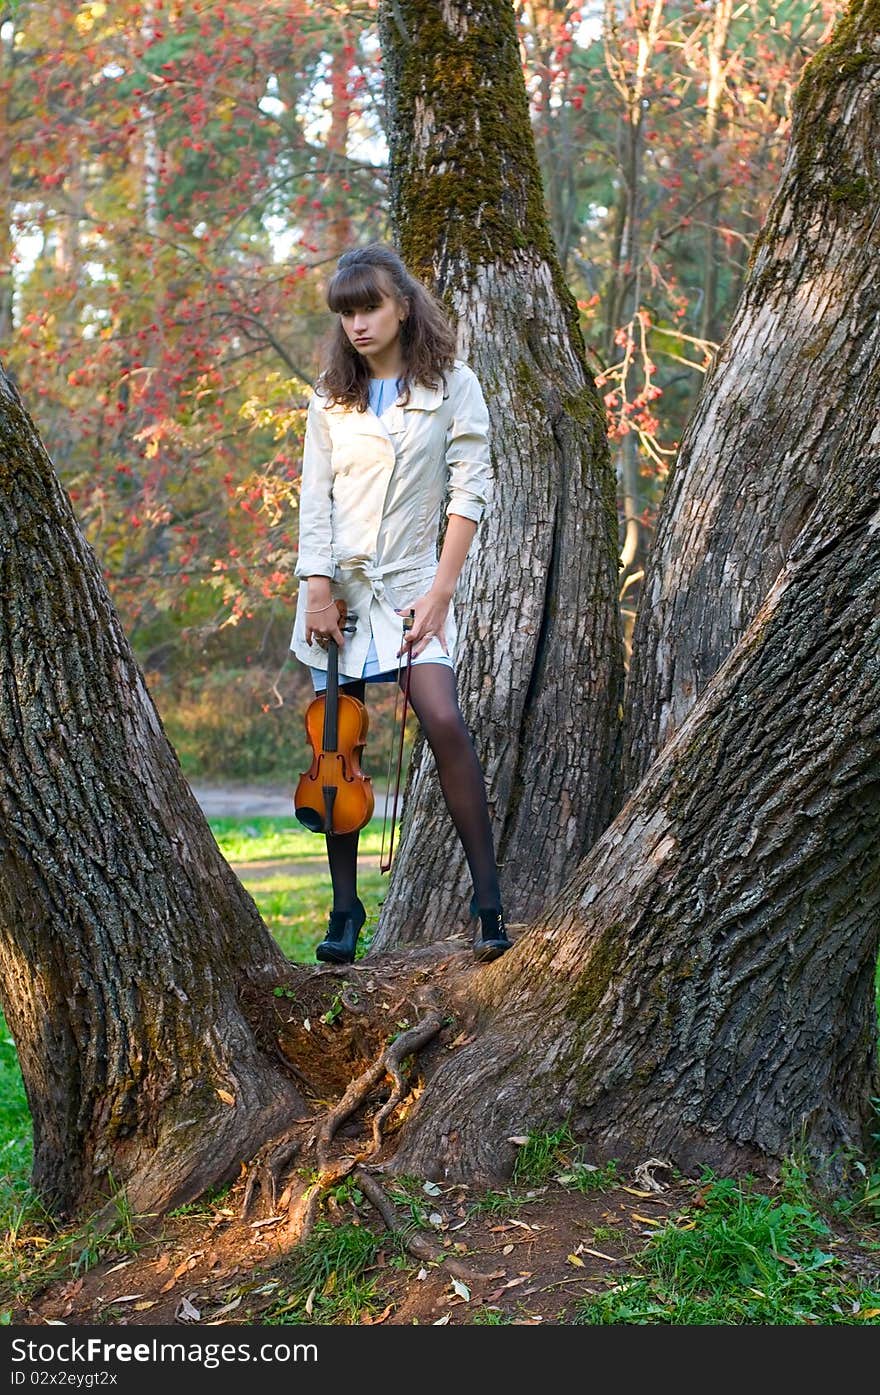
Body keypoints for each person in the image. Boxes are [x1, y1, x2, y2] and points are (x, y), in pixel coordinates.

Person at [289, 242, 512, 968]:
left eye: (369, 307)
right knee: (337, 750)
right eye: (346, 312)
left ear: (403, 305)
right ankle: (345, 908)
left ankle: (487, 900)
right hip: (337, 595)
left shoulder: (454, 385)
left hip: (417, 585)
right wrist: (316, 587)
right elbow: (314, 500)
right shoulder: (329, 396)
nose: (357, 323)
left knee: (445, 720)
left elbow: (469, 491)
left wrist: (441, 592)